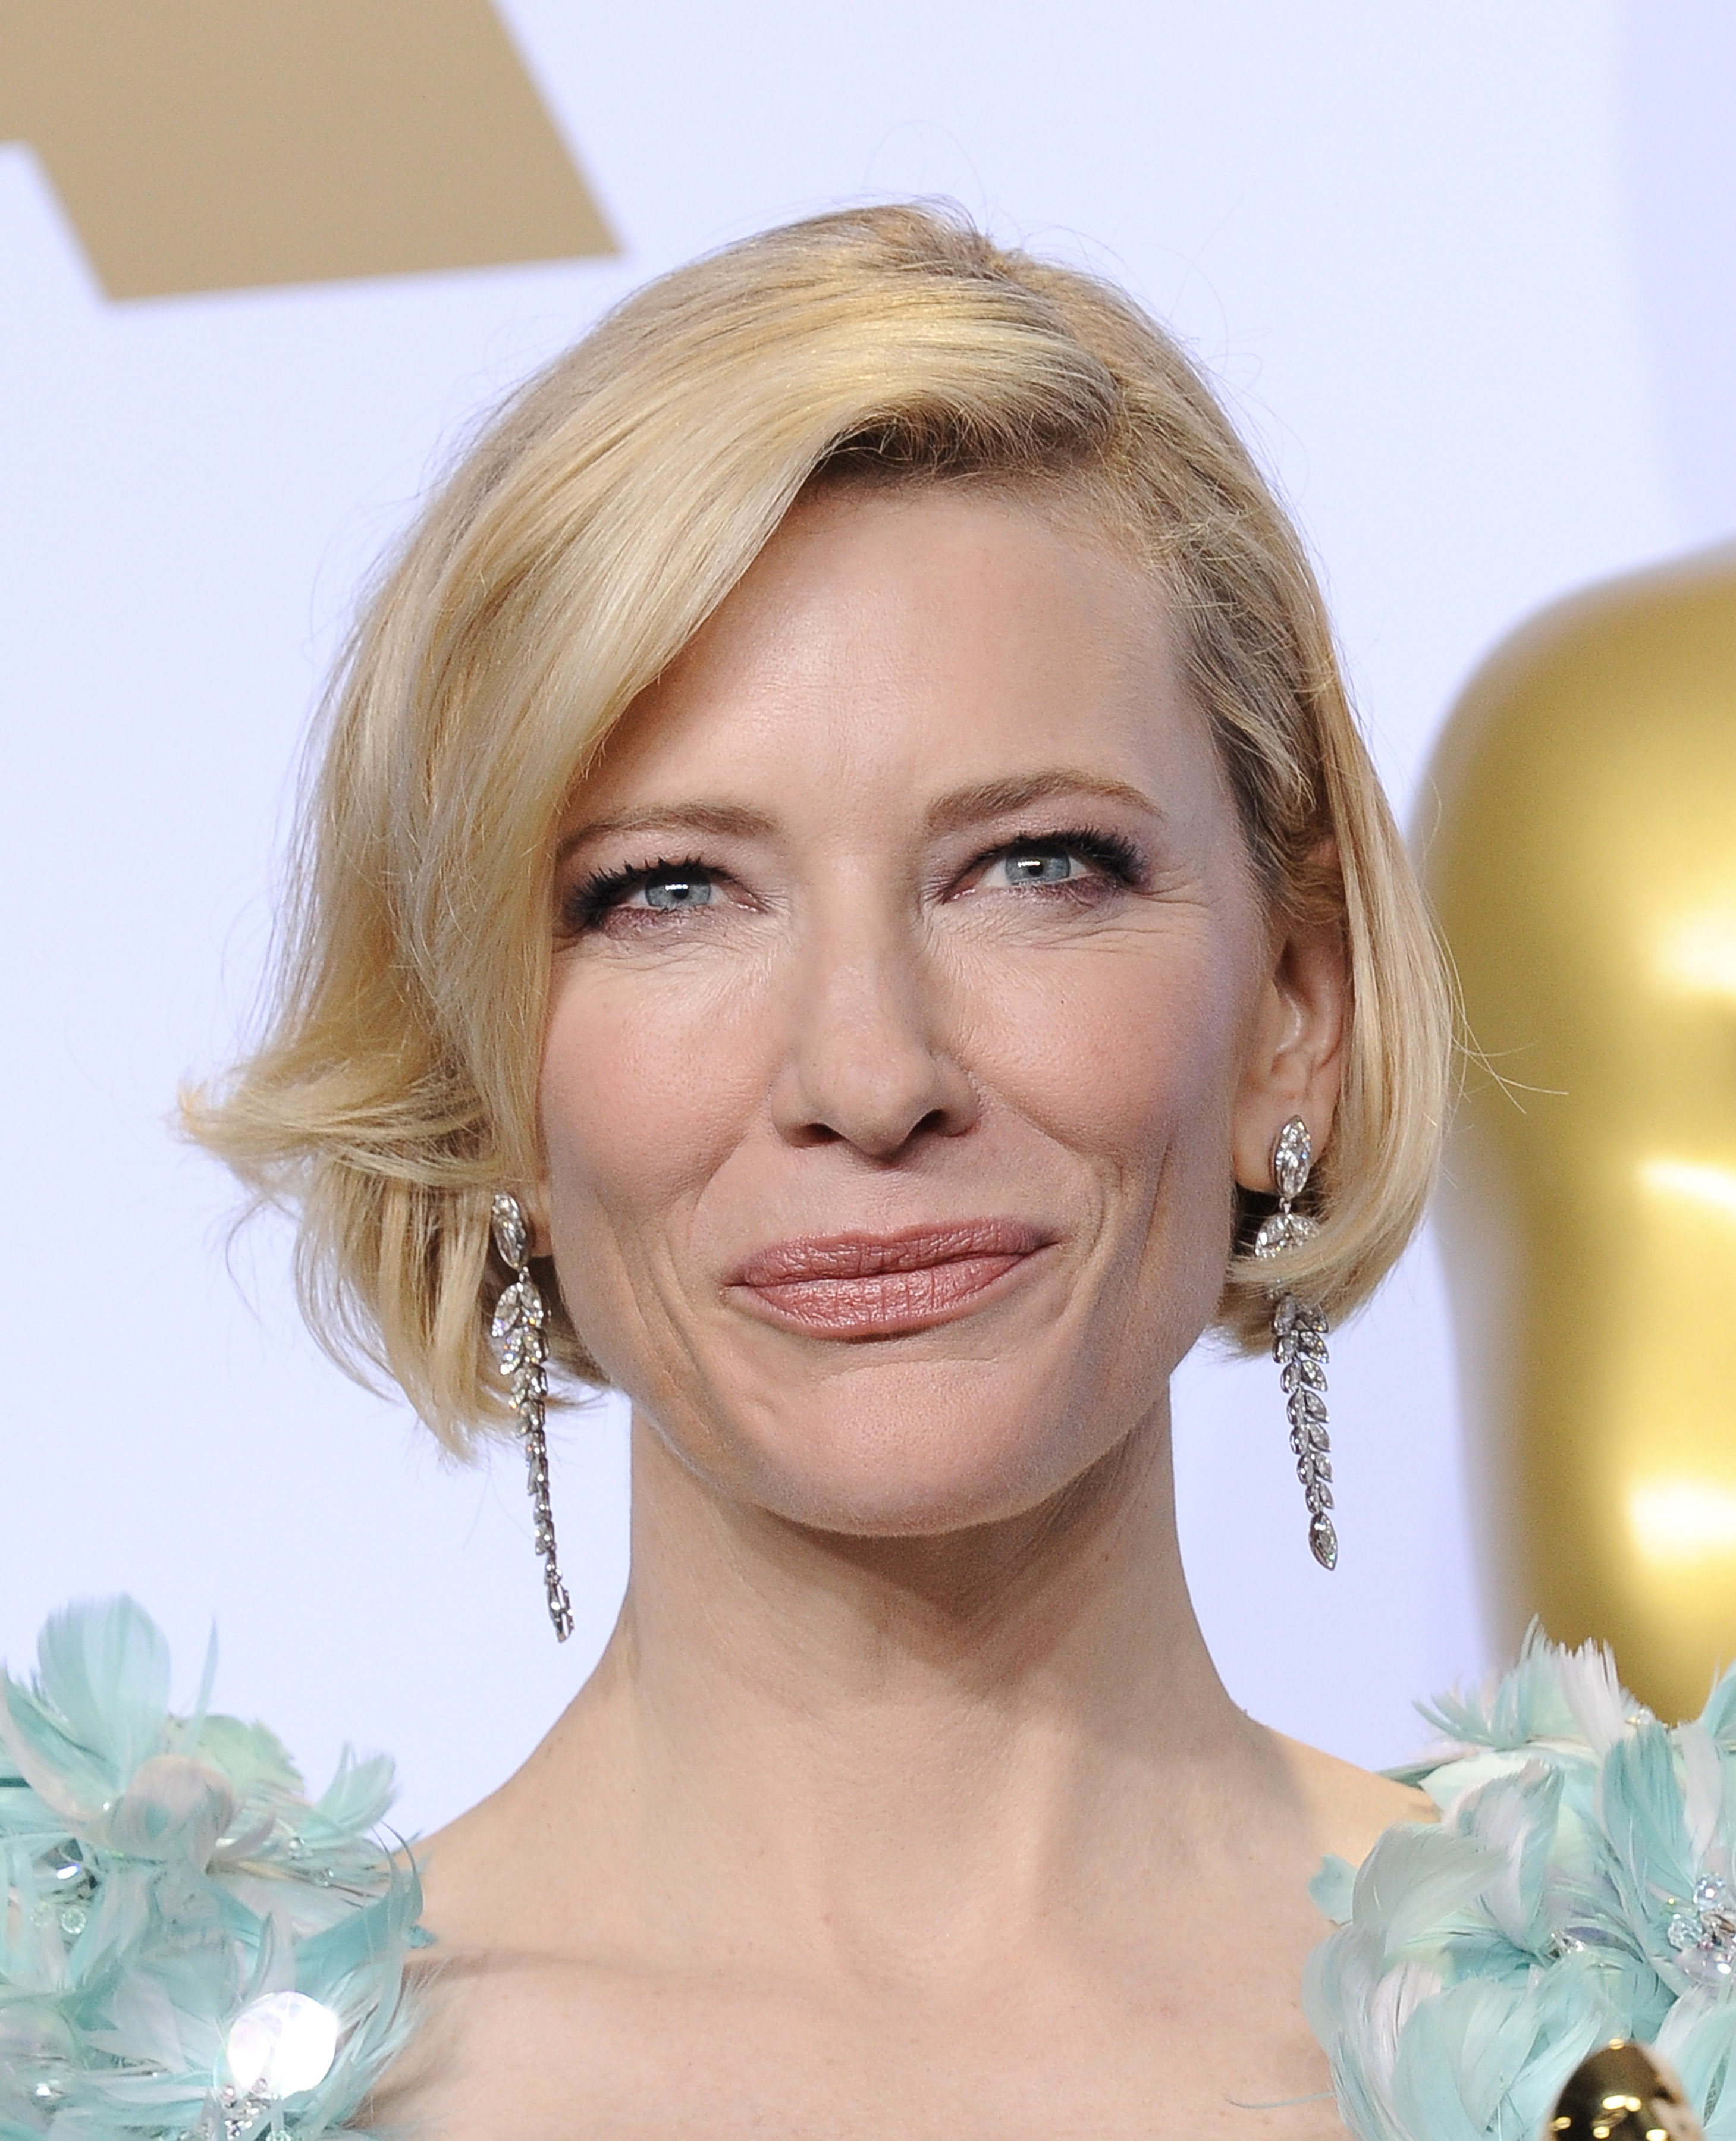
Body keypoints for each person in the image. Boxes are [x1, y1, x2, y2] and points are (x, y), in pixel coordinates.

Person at [5, 206, 1725, 2141]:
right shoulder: (80, 2094)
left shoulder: (1669, 2065)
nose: (870, 1075)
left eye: (1036, 868)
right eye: (670, 892)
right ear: (484, 1080)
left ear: (1294, 1013)